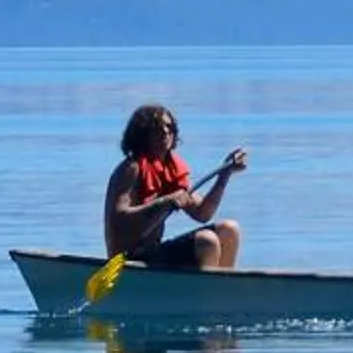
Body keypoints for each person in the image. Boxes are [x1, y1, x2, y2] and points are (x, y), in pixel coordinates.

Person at [105, 103, 248, 270]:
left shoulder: (169, 170)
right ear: (142, 134)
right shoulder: (131, 168)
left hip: (154, 252)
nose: (165, 132)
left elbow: (202, 213)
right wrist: (164, 202)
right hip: (128, 259)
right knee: (206, 241)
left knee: (230, 230)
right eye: (157, 129)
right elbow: (119, 218)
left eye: (169, 127)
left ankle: (222, 285)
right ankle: (208, 286)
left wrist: (224, 175)